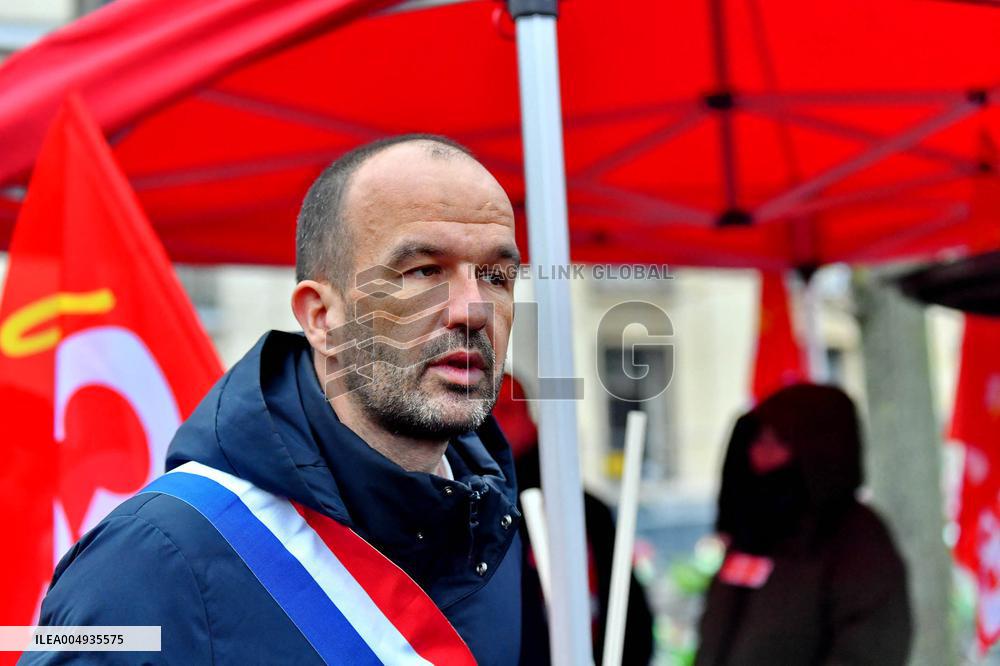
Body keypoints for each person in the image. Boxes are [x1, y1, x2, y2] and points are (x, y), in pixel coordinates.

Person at [25, 135, 526, 664]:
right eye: (424, 271)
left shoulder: (491, 530)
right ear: (320, 318)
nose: (474, 311)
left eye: (496, 276)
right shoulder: (148, 558)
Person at [695, 383, 912, 666]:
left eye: (780, 442)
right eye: (759, 440)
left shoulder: (856, 538)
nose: (761, 455)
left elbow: (870, 647)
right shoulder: (754, 531)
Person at [492, 374, 656, 665]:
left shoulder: (584, 509)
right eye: (486, 414)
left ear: (531, 419)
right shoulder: (471, 512)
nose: (495, 424)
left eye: (506, 410)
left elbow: (627, 607)